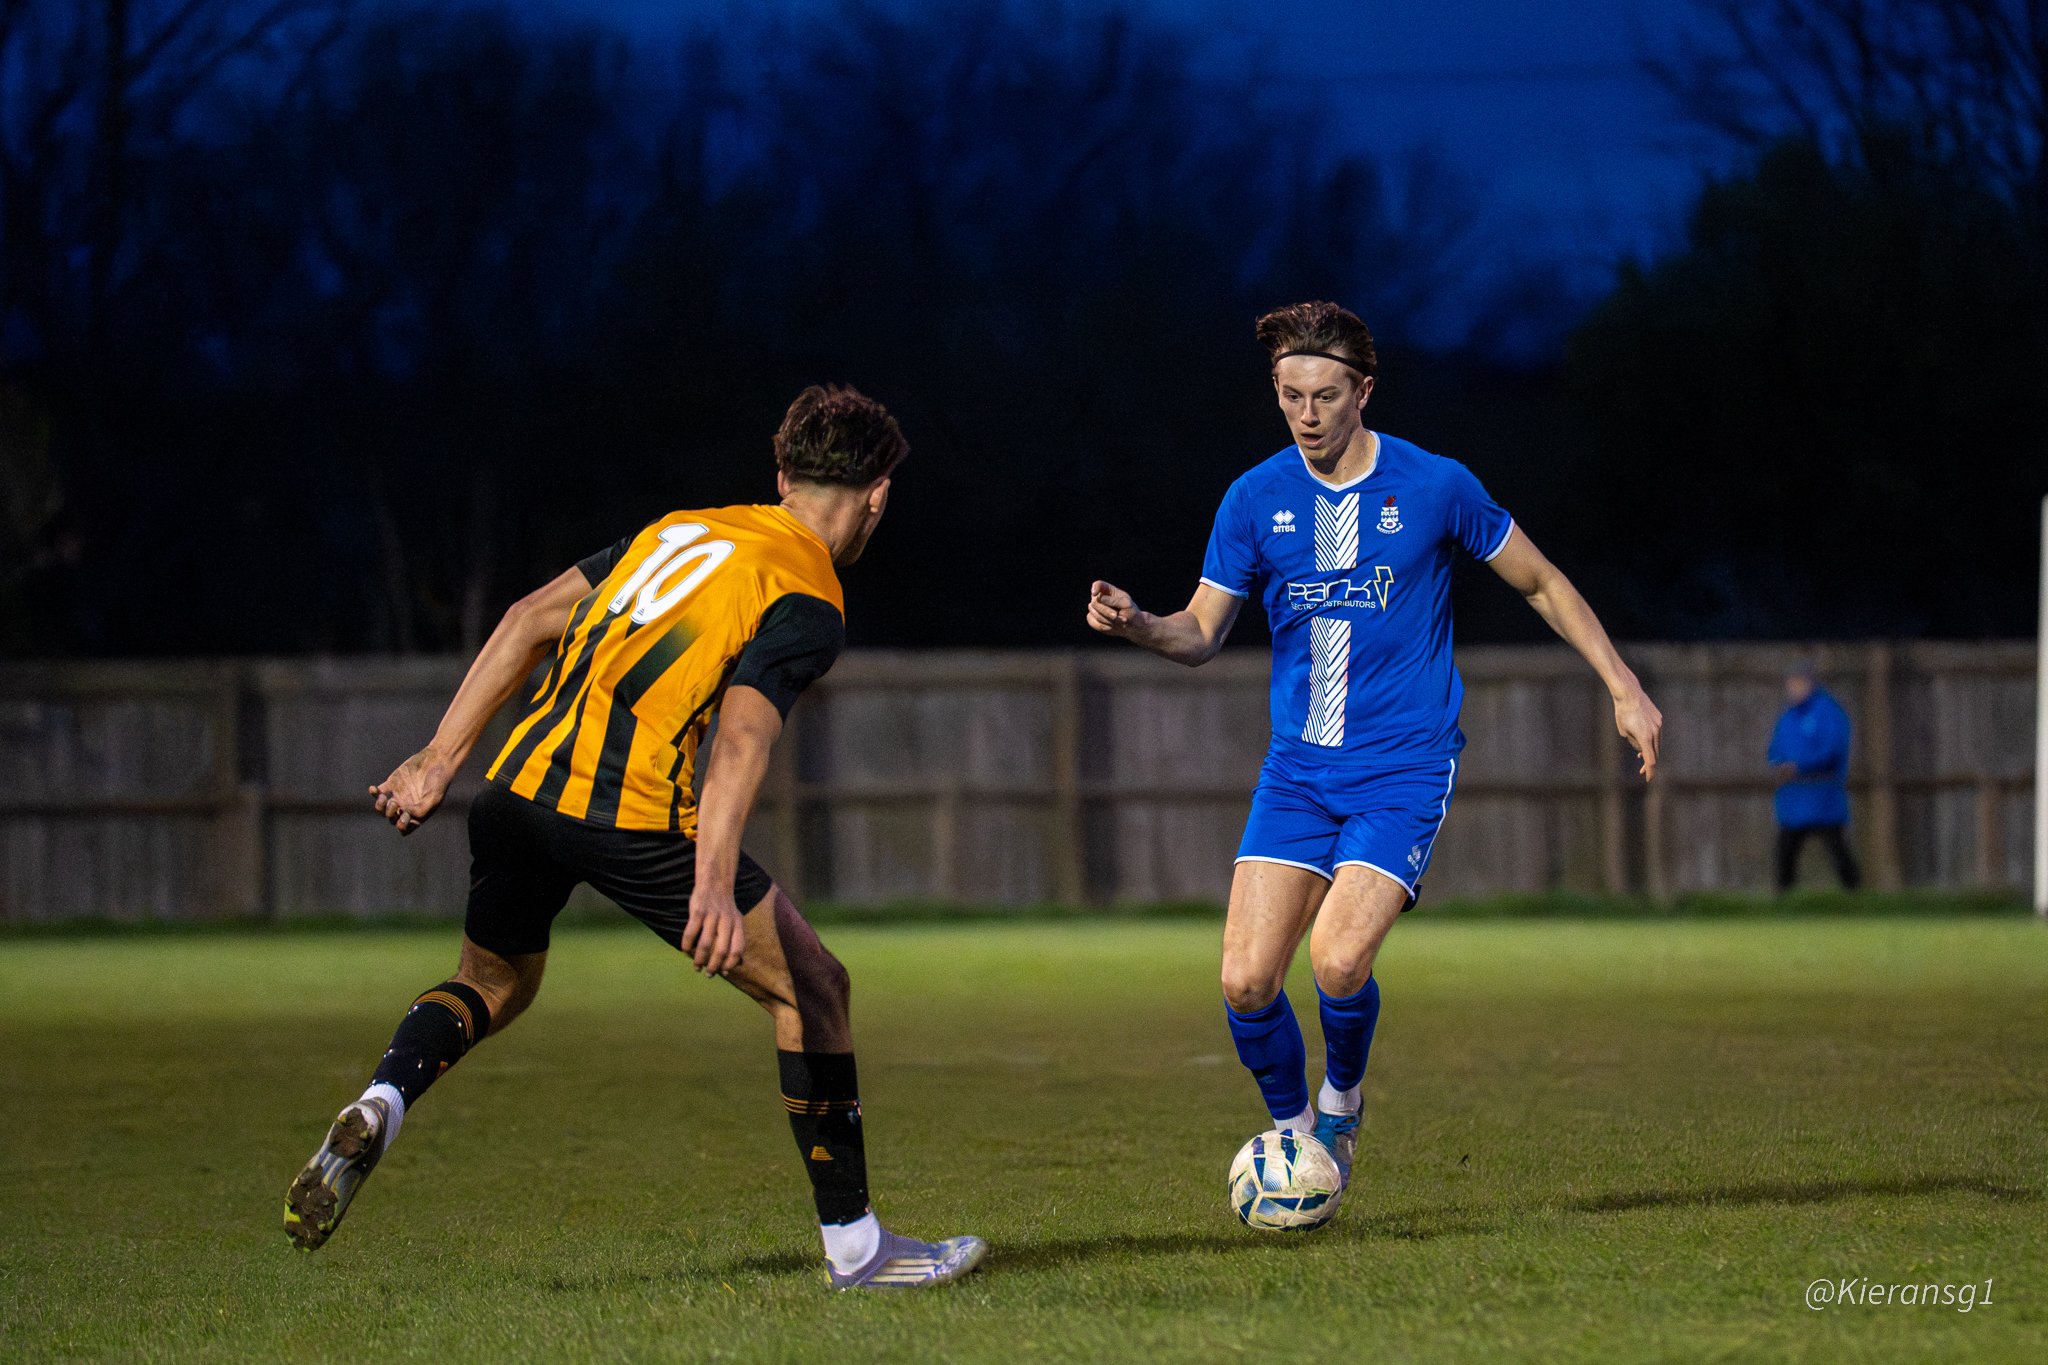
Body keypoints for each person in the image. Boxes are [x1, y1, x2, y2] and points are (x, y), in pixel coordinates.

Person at [283, 385, 986, 1291]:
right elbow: (741, 733)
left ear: (780, 476)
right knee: (812, 987)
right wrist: (711, 876)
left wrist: (437, 757)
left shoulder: (680, 529)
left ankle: (384, 1097)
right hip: (629, 812)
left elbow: (529, 616)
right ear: (879, 494)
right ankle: (857, 1247)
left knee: (491, 981)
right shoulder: (809, 589)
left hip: (517, 786)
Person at [1085, 301, 1662, 1193]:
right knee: (1244, 981)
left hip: (1403, 767)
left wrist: (1622, 685)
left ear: (1364, 390)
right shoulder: (1254, 498)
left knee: (1339, 960)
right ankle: (1297, 1138)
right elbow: (1200, 633)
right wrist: (1138, 625)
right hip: (1298, 773)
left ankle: (1344, 1100)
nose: (1306, 415)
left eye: (1323, 395)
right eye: (1288, 396)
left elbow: (1541, 581)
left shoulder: (1437, 486)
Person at [1768, 664, 1859, 891]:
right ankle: (1783, 902)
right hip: (1794, 799)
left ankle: (1857, 898)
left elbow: (1832, 750)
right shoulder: (1788, 716)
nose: (1793, 689)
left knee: (1838, 850)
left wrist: (1800, 766)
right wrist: (1779, 763)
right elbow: (1775, 748)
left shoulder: (1828, 712)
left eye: (1797, 684)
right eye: (1790, 684)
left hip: (1823, 796)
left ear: (1809, 684)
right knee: (1786, 853)